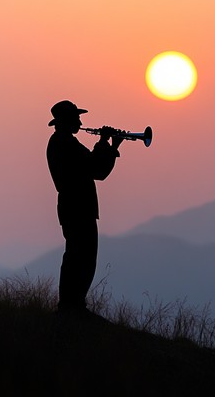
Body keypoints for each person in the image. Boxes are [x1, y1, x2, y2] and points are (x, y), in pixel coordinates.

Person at [46, 100, 123, 313]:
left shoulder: (62, 142)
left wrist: (109, 146)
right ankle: (72, 306)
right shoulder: (66, 144)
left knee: (77, 256)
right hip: (78, 207)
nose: (80, 122)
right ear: (66, 121)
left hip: (74, 207)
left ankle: (73, 305)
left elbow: (95, 169)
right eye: (76, 118)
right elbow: (97, 170)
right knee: (81, 258)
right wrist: (105, 143)